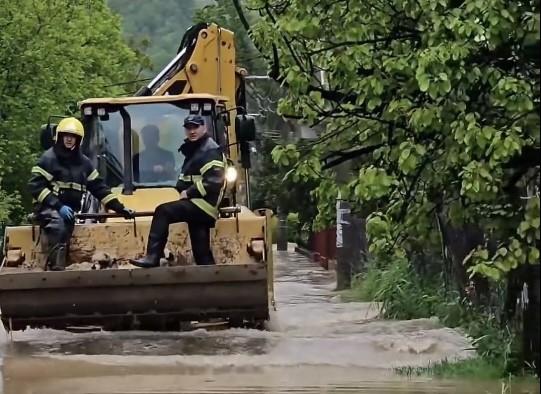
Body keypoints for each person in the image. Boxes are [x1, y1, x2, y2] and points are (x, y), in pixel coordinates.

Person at [28, 117, 135, 271]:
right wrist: (58, 206)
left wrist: (120, 208)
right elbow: (35, 186)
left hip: (70, 212)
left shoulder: (84, 163)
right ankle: (56, 269)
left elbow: (99, 188)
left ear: (78, 140)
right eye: (66, 136)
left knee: (65, 229)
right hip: (47, 208)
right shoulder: (48, 158)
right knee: (58, 225)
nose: (69, 140)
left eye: (73, 137)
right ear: (59, 137)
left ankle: (63, 264)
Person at [130, 115, 227, 268]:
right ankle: (213, 279)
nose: (192, 131)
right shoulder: (196, 149)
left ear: (205, 128)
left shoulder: (209, 150)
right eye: (189, 128)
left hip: (203, 204)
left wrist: (189, 193)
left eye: (196, 127)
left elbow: (214, 180)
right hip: (199, 205)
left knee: (163, 211)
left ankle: (152, 257)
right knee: (201, 251)